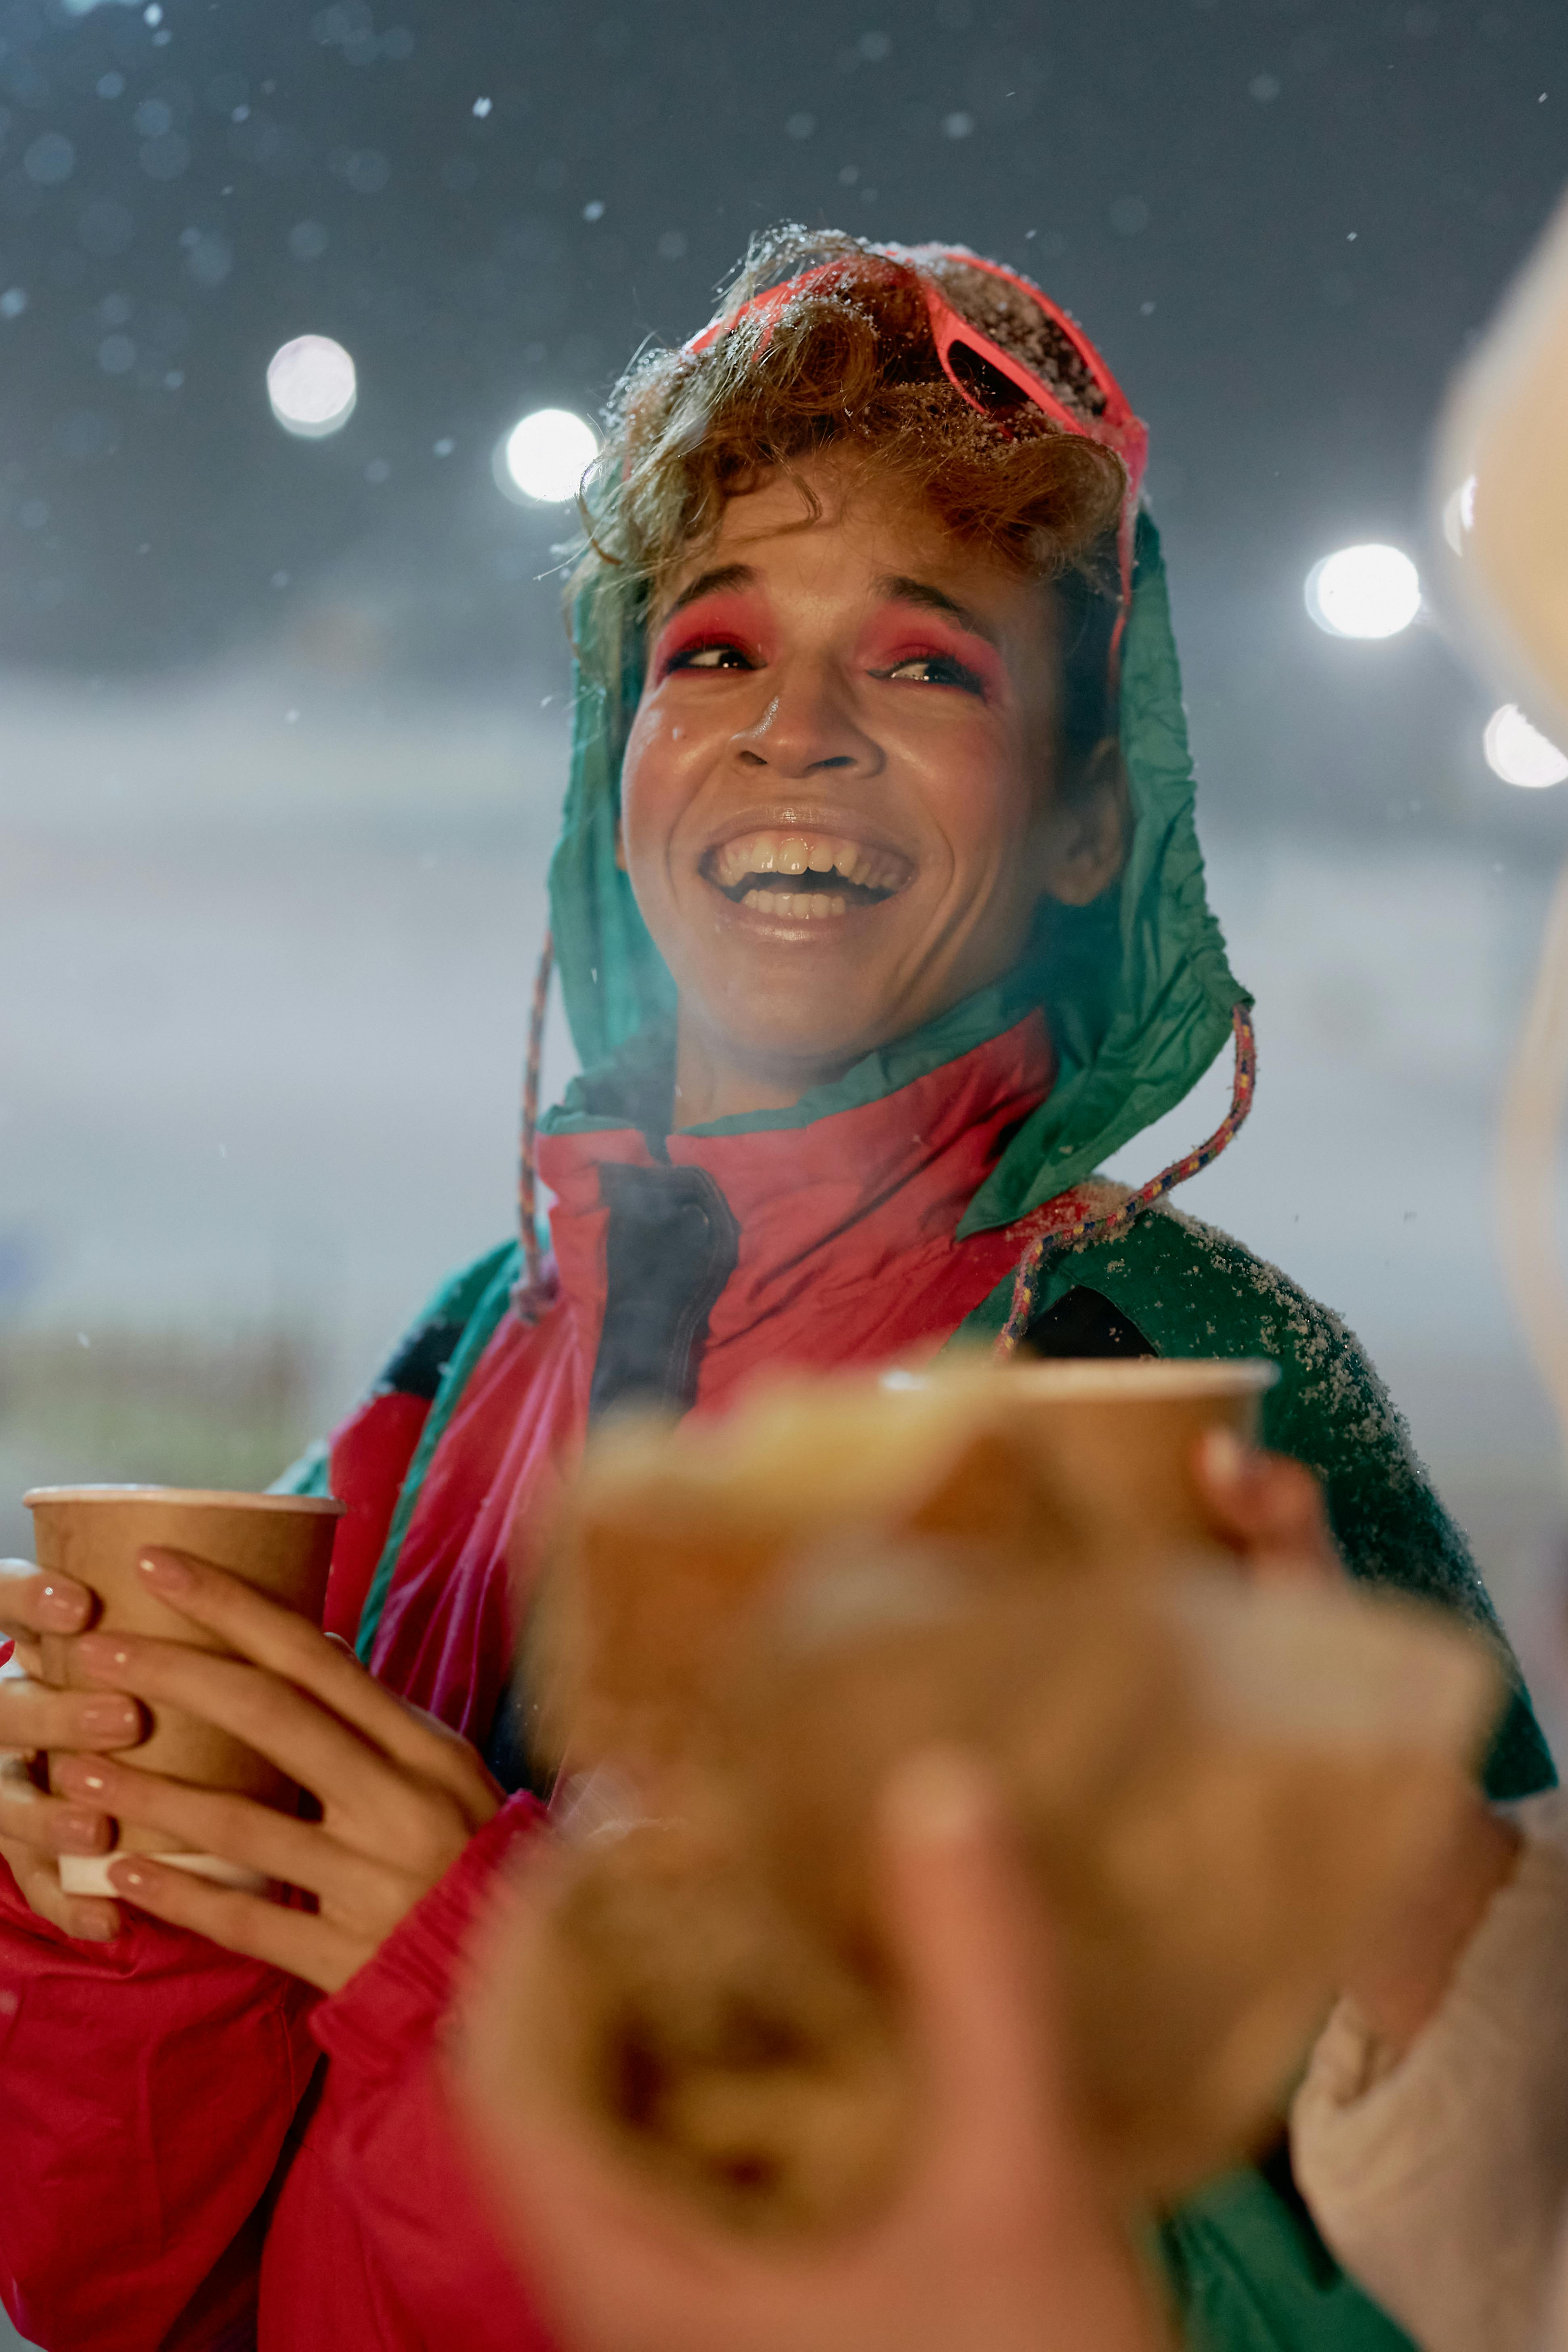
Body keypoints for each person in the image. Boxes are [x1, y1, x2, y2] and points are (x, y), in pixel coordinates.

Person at [0, 227, 1553, 2352]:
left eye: (928, 665)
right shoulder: (465, 1362)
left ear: (1092, 813)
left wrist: (508, 1984)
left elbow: (1394, 2291)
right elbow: (132, 2290)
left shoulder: (1176, 1407)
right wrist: (113, 1909)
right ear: (616, 765)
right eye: (713, 652)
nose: (793, 735)